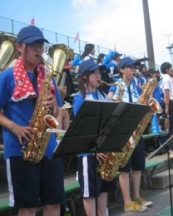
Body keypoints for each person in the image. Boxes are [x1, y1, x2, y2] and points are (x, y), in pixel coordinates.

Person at [0, 25, 64, 216]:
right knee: (27, 207)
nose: (38, 49)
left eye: (40, 44)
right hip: (20, 148)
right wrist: (14, 127)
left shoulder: (48, 76)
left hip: (48, 148)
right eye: (33, 45)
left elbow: (56, 114)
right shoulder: (6, 76)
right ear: (20, 47)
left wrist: (54, 104)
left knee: (54, 204)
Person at [108, 57, 152, 213]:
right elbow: (110, 101)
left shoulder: (134, 85)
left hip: (136, 129)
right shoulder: (116, 85)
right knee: (125, 168)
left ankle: (136, 196)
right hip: (123, 131)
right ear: (121, 70)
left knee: (138, 165)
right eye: (130, 67)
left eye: (134, 67)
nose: (133, 70)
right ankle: (127, 202)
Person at [72, 59, 116, 216]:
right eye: (95, 73)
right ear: (85, 76)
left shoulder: (103, 96)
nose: (99, 76)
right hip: (87, 153)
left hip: (104, 151)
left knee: (104, 189)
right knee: (90, 193)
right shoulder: (79, 99)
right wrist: (94, 150)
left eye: (99, 73)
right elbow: (80, 130)